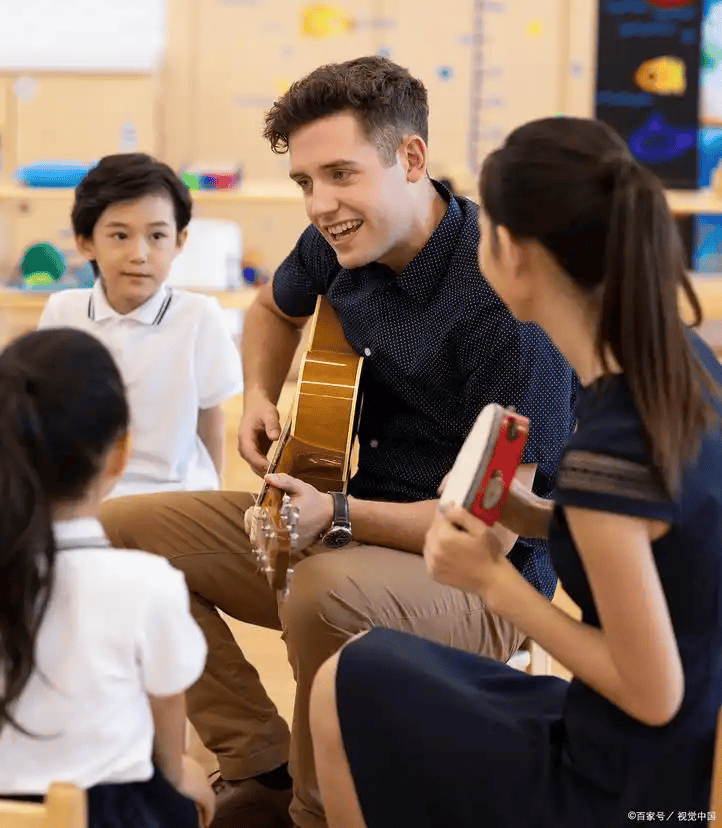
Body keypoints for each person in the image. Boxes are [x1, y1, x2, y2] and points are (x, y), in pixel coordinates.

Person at [97, 56, 578, 828]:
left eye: (341, 175)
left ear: (411, 158)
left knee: (323, 592)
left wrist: (341, 515)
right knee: (117, 535)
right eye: (305, 182)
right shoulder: (339, 240)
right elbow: (270, 309)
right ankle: (261, 766)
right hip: (350, 527)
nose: (321, 204)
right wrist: (260, 395)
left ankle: (317, 815)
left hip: (484, 581)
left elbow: (492, 525)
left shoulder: (504, 303)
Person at [310, 116, 722, 827]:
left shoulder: (604, 455)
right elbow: (660, 532)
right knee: (366, 666)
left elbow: (652, 693)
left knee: (343, 686)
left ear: (510, 250)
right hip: (675, 752)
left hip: (623, 787)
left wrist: (491, 580)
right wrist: (529, 515)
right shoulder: (686, 366)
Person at [0, 327, 214, 827]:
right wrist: (177, 775)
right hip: (112, 812)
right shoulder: (150, 583)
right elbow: (168, 712)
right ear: (120, 453)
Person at [37, 152, 243, 497]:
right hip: (87, 496)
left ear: (179, 241)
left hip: (173, 497)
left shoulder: (199, 316)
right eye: (120, 236)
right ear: (86, 242)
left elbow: (211, 417)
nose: (139, 254)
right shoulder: (62, 312)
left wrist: (212, 496)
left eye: (157, 236)